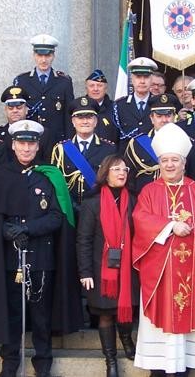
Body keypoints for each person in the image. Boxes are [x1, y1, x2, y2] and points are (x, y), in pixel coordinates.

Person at [0, 120, 82, 377]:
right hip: (9, 257)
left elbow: (58, 217)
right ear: (13, 145)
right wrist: (6, 230)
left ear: (37, 147)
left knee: (41, 315)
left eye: (31, 143)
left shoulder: (49, 175)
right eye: (22, 143)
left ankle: (43, 363)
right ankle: (9, 363)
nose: (26, 148)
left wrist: (28, 229)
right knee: (12, 313)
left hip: (41, 257)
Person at [131, 123, 195, 377]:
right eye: (165, 160)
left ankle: (182, 368)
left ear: (184, 162)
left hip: (191, 270)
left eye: (174, 160)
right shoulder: (149, 191)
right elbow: (140, 220)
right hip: (160, 272)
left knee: (184, 323)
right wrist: (169, 226)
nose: (169, 165)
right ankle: (158, 368)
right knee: (159, 327)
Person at [76, 155, 139, 377]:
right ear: (105, 172)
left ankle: (126, 339)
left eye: (124, 169)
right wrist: (84, 271)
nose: (122, 173)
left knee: (126, 311)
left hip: (129, 268)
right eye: (116, 169)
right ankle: (110, 360)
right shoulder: (92, 203)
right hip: (99, 268)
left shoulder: (134, 199)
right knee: (105, 314)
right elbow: (83, 239)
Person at [13, 34, 75, 156]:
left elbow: (68, 115)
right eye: (40, 55)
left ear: (53, 56)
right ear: (34, 56)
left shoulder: (64, 82)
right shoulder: (22, 81)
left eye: (47, 55)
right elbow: (17, 113)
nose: (43, 60)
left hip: (56, 141)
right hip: (29, 141)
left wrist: (68, 143)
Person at [51, 96, 117, 206]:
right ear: (73, 121)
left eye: (89, 117)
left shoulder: (109, 149)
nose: (85, 121)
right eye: (80, 118)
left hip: (98, 208)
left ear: (96, 121)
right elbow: (56, 184)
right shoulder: (61, 150)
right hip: (69, 208)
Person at [124, 94, 177, 193]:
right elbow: (129, 180)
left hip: (177, 202)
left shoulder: (186, 143)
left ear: (174, 117)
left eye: (168, 116)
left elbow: (194, 178)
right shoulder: (137, 144)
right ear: (152, 118)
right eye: (159, 116)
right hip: (145, 202)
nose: (164, 120)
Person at [114, 57, 159, 141]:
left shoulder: (158, 104)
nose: (142, 81)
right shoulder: (120, 105)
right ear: (132, 79)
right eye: (138, 77)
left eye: (146, 77)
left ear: (152, 79)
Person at [82, 69, 119, 143]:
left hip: (109, 152)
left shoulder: (116, 109)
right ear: (86, 88)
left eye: (99, 85)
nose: (95, 89)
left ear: (105, 88)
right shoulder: (79, 109)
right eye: (92, 86)